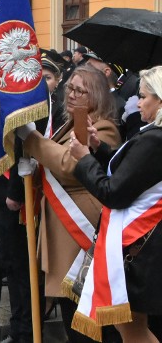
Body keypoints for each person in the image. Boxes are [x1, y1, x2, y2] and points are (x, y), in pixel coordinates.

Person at [16, 65, 122, 343]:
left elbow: (68, 165)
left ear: (97, 95)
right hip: (61, 227)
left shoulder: (103, 127)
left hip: (80, 229)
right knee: (69, 313)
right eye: (70, 88)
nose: (72, 95)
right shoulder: (71, 123)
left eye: (81, 90)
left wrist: (32, 138)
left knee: (83, 316)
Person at [69, 65, 162, 343]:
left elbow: (114, 192)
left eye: (144, 96)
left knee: (131, 329)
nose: (138, 101)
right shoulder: (153, 135)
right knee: (133, 326)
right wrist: (99, 149)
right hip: (144, 242)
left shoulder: (155, 140)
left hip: (138, 244)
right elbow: (131, 173)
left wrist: (84, 158)